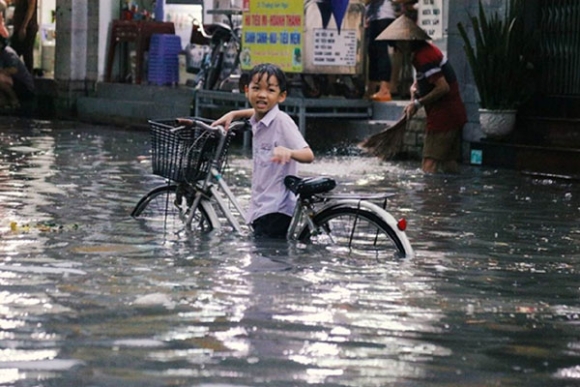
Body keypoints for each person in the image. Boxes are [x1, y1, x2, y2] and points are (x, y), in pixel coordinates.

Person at [183, 63, 315, 239]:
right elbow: (257, 110)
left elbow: (309, 155)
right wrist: (235, 114)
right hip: (262, 206)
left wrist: (289, 152)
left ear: (281, 96)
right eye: (256, 88)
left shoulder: (282, 122)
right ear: (247, 90)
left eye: (270, 90)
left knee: (264, 261)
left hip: (275, 208)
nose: (262, 94)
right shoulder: (258, 119)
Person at [377, 15, 467, 173]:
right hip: (451, 114)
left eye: (398, 43)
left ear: (407, 41)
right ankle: (452, 195)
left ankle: (428, 196)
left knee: (428, 164)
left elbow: (443, 87)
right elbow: (427, 78)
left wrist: (417, 104)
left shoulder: (424, 56)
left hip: (444, 116)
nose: (396, 47)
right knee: (448, 164)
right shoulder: (423, 53)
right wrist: (416, 87)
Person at [364, 0, 398, 102]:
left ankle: (384, 89)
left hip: (383, 17)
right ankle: (371, 89)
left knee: (380, 51)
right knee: (373, 53)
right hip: (375, 18)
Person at [0, 35, 35, 111]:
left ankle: (15, 100)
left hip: (24, 86)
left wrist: (2, 71)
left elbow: (13, 70)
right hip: (11, 82)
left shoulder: (8, 53)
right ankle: (5, 102)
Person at [10, 0, 38, 73]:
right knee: (14, 53)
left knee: (26, 55)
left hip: (28, 28)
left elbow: (31, 7)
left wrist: (24, 27)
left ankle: (28, 78)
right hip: (19, 26)